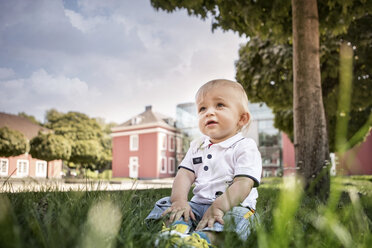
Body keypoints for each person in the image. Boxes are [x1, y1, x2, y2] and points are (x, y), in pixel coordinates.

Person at [146, 79, 262, 247]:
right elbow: (185, 174)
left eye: (220, 105)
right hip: (197, 206)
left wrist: (219, 208)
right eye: (202, 108)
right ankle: (177, 231)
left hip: (229, 207)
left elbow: (244, 182)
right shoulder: (197, 145)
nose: (209, 112)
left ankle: (203, 240)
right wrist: (179, 201)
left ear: (242, 118)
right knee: (167, 203)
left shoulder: (245, 146)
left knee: (237, 218)